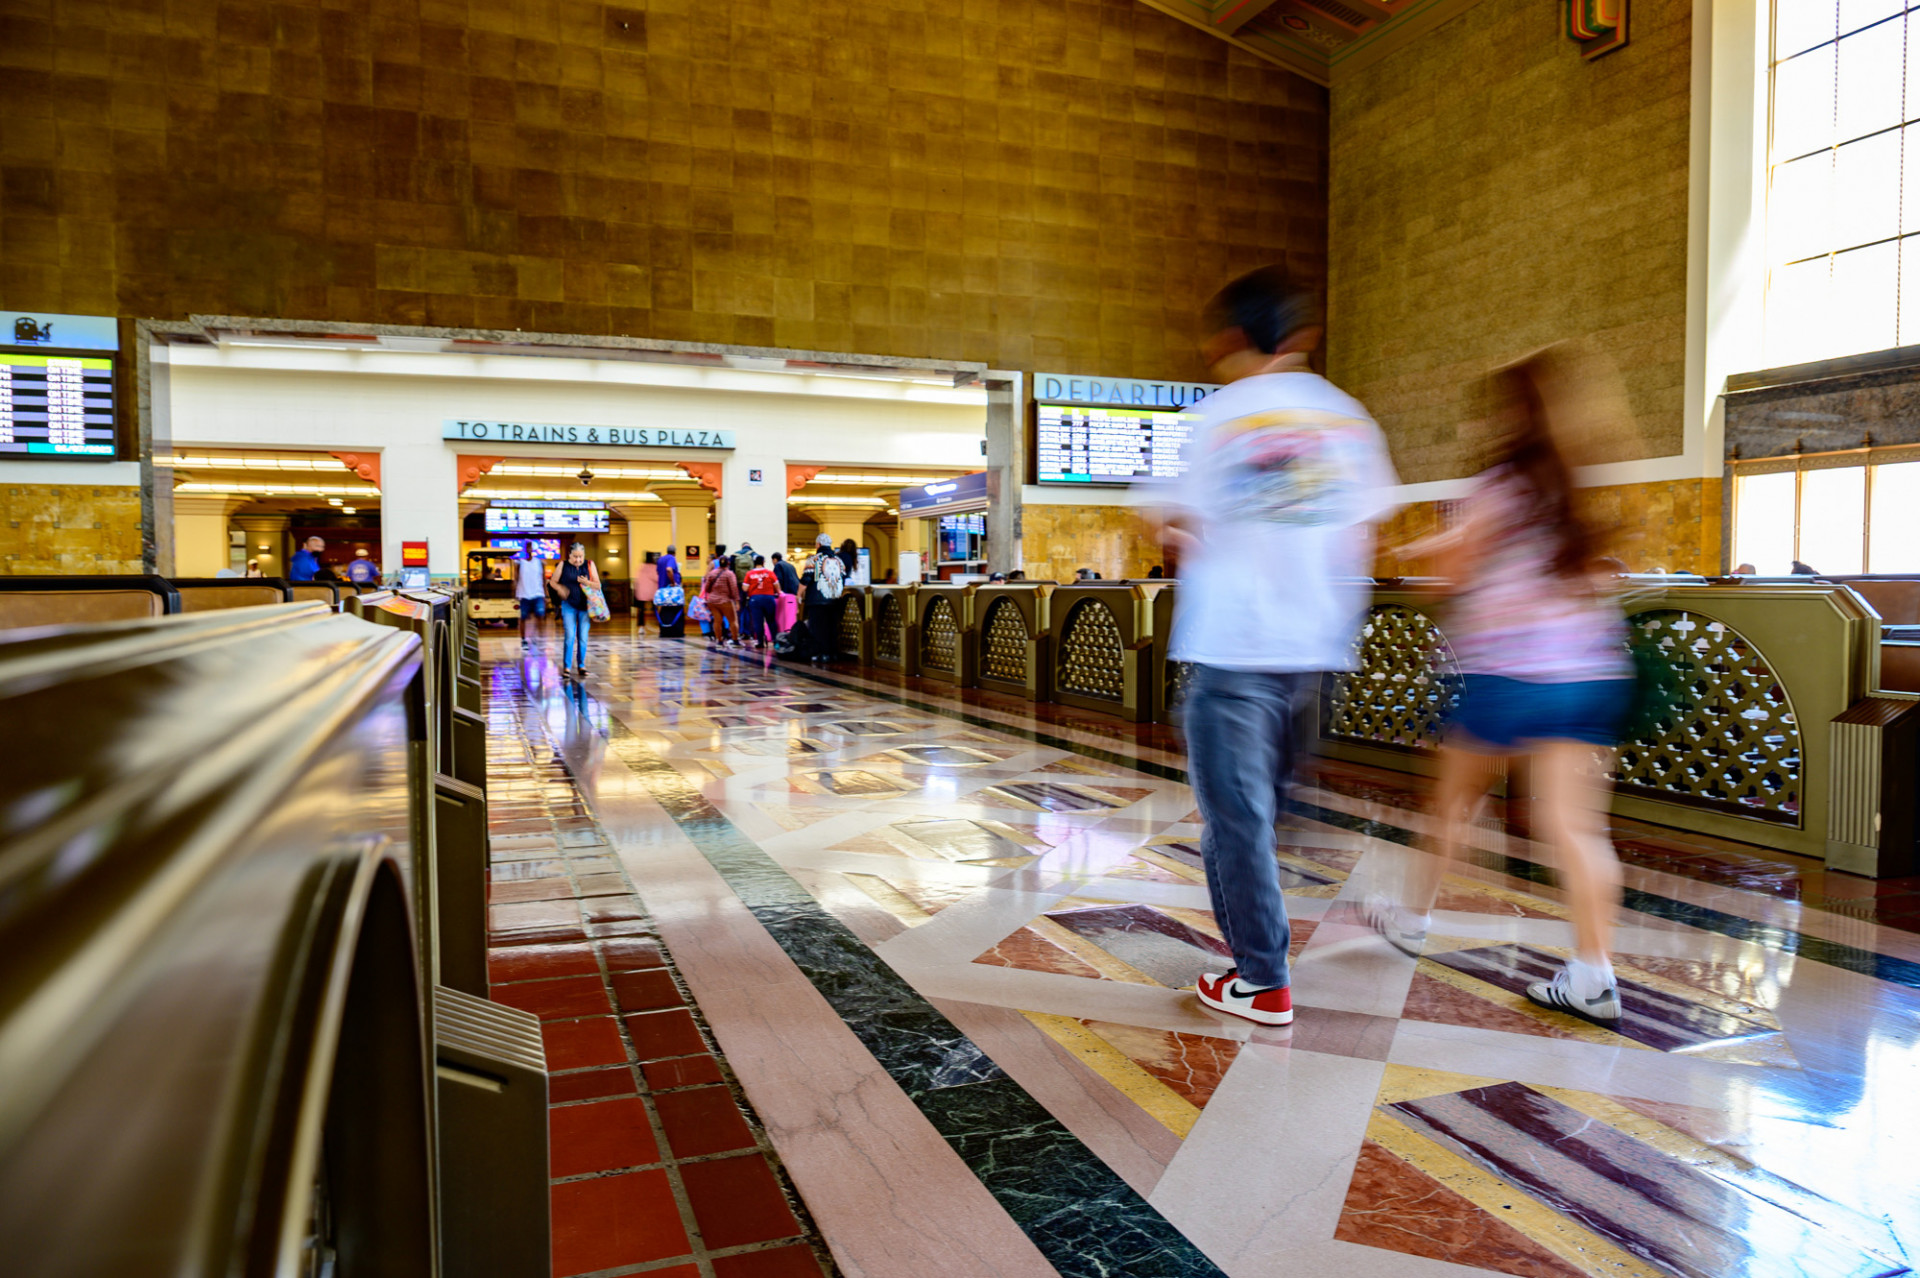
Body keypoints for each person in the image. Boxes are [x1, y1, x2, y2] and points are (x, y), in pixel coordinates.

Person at [1157, 265, 1400, 1028]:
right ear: (1301, 335)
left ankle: (1262, 980)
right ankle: (1265, 948)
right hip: (1317, 652)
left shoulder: (1217, 418)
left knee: (1237, 821)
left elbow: (1168, 521)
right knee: (1261, 810)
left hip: (1235, 647)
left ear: (1230, 338)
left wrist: (1191, 538)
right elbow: (1369, 526)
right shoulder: (1350, 419)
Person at [1366, 348, 1633, 1025]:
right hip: (1591, 672)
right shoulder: (1571, 489)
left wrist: (1412, 553)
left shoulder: (1503, 482)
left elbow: (1456, 572)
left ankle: (1411, 919)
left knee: (1453, 805)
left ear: (1514, 412)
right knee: (1576, 826)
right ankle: (1594, 975)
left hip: (1508, 673)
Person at [554, 541, 600, 681]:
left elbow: (598, 586)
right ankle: (567, 667)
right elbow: (553, 581)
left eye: (581, 556)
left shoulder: (590, 564)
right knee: (569, 636)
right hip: (568, 605)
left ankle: (581, 665)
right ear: (569, 555)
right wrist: (560, 588)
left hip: (585, 606)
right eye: (575, 556)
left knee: (583, 637)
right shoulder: (563, 565)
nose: (578, 559)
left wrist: (587, 583)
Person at [802, 533, 847, 664]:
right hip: (835, 599)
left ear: (818, 544)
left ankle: (820, 654)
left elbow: (805, 580)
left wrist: (798, 595)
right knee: (832, 627)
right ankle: (832, 653)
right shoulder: (839, 561)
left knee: (818, 629)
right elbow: (844, 578)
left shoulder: (813, 560)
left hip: (817, 600)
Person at [701, 551, 742, 646]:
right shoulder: (730, 574)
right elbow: (734, 588)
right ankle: (735, 640)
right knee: (733, 620)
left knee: (717, 621)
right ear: (728, 563)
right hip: (725, 601)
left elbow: (707, 588)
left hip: (712, 601)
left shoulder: (712, 573)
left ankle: (719, 641)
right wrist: (737, 601)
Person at [514, 545, 548, 648]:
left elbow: (544, 579)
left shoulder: (539, 563)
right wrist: (515, 592)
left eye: (530, 547)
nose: (529, 550)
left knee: (540, 615)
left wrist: (546, 595)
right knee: (523, 617)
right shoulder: (519, 563)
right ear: (524, 549)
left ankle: (535, 636)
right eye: (527, 547)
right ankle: (523, 640)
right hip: (524, 594)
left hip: (538, 593)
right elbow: (515, 578)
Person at [742, 555, 780, 647]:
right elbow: (777, 586)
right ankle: (776, 642)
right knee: (771, 620)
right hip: (769, 598)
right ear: (763, 562)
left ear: (754, 563)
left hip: (755, 599)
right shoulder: (769, 573)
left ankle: (760, 642)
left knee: (758, 622)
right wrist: (777, 592)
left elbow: (745, 588)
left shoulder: (749, 574)